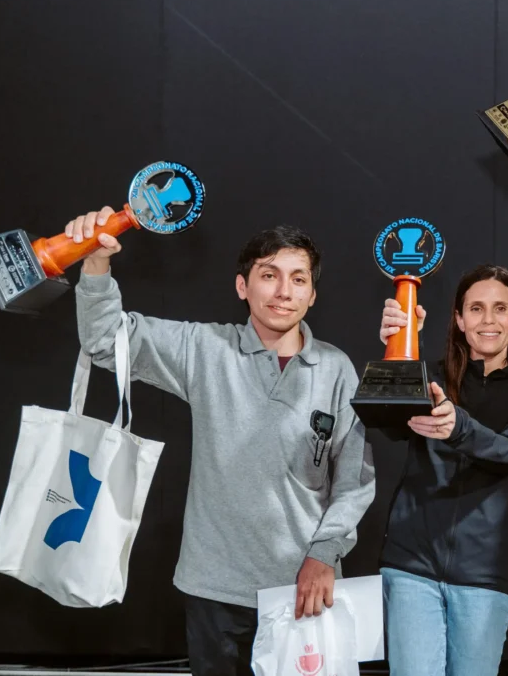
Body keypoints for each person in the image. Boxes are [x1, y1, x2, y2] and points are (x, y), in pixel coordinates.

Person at [65, 209, 375, 676]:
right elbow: (106, 341)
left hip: (302, 587)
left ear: (312, 294)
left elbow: (355, 478)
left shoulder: (336, 368)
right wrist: (95, 262)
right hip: (213, 587)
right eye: (268, 275)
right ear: (242, 286)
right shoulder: (205, 349)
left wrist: (324, 553)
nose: (284, 291)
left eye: (298, 279)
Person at [375, 264, 508, 676]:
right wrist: (400, 352)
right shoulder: (432, 378)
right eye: (476, 309)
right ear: (459, 320)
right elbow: (385, 422)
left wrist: (458, 427)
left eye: (500, 308)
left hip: (485, 578)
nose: (488, 320)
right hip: (412, 567)